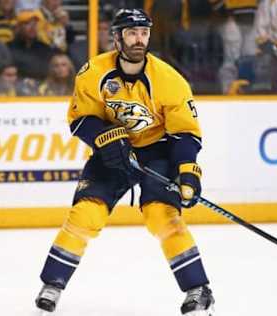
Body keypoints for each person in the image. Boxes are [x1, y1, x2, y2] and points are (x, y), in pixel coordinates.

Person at [34, 8, 215, 316]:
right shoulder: (93, 72)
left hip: (156, 152)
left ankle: (198, 290)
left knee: (163, 216)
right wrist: (105, 136)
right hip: (111, 152)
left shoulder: (169, 80)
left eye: (143, 33)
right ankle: (53, 284)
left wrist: (187, 172)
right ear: (116, 38)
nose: (138, 39)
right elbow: (80, 118)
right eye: (131, 33)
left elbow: (185, 133)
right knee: (85, 214)